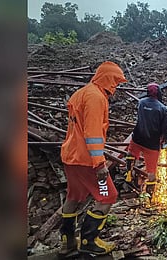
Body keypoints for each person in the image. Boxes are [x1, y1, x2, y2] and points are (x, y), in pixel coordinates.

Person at [59, 61, 127, 256]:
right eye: (116, 82)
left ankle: (68, 242)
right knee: (108, 196)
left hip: (71, 156)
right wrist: (99, 164)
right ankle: (89, 240)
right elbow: (93, 134)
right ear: (109, 80)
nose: (117, 87)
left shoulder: (82, 92)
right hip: (87, 161)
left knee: (74, 196)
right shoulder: (96, 98)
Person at [127, 83, 167, 196]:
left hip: (137, 137)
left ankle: (128, 175)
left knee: (131, 154)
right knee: (151, 171)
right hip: (151, 144)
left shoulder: (141, 103)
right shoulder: (163, 109)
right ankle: (149, 196)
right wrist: (164, 142)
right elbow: (165, 130)